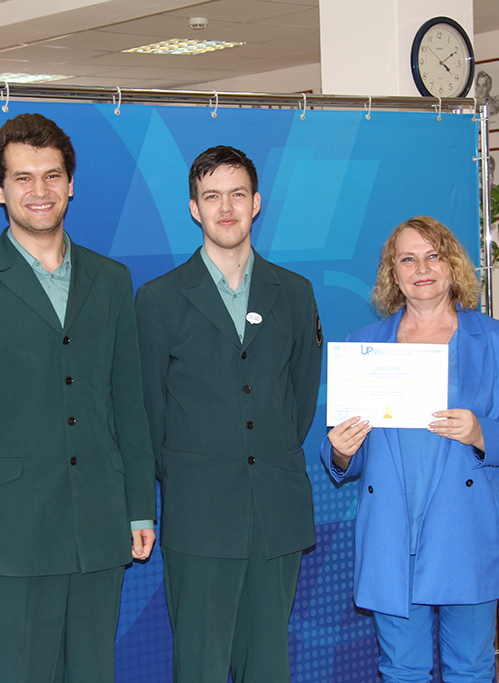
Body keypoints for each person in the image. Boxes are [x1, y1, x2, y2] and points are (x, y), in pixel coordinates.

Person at [0, 113, 156, 683]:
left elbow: (128, 404)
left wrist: (138, 506)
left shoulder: (111, 279)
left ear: (71, 184)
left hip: (101, 523)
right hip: (13, 532)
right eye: (23, 178)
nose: (40, 191)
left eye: (52, 175)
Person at [321, 216, 499, 683]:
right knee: (401, 670)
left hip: (466, 531)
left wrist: (481, 432)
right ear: (393, 273)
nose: (421, 268)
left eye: (433, 255)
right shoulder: (364, 345)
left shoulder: (496, 339)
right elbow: (349, 451)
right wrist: (340, 452)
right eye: (408, 259)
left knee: (472, 669)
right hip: (392, 534)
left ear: (452, 265)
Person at [135, 145, 322, 683]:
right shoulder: (159, 299)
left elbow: (301, 397)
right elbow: (149, 412)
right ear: (194, 208)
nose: (225, 208)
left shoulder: (294, 292)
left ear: (256, 203)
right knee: (201, 665)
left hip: (277, 511)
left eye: (237, 194)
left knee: (268, 665)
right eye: (211, 196)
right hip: (199, 512)